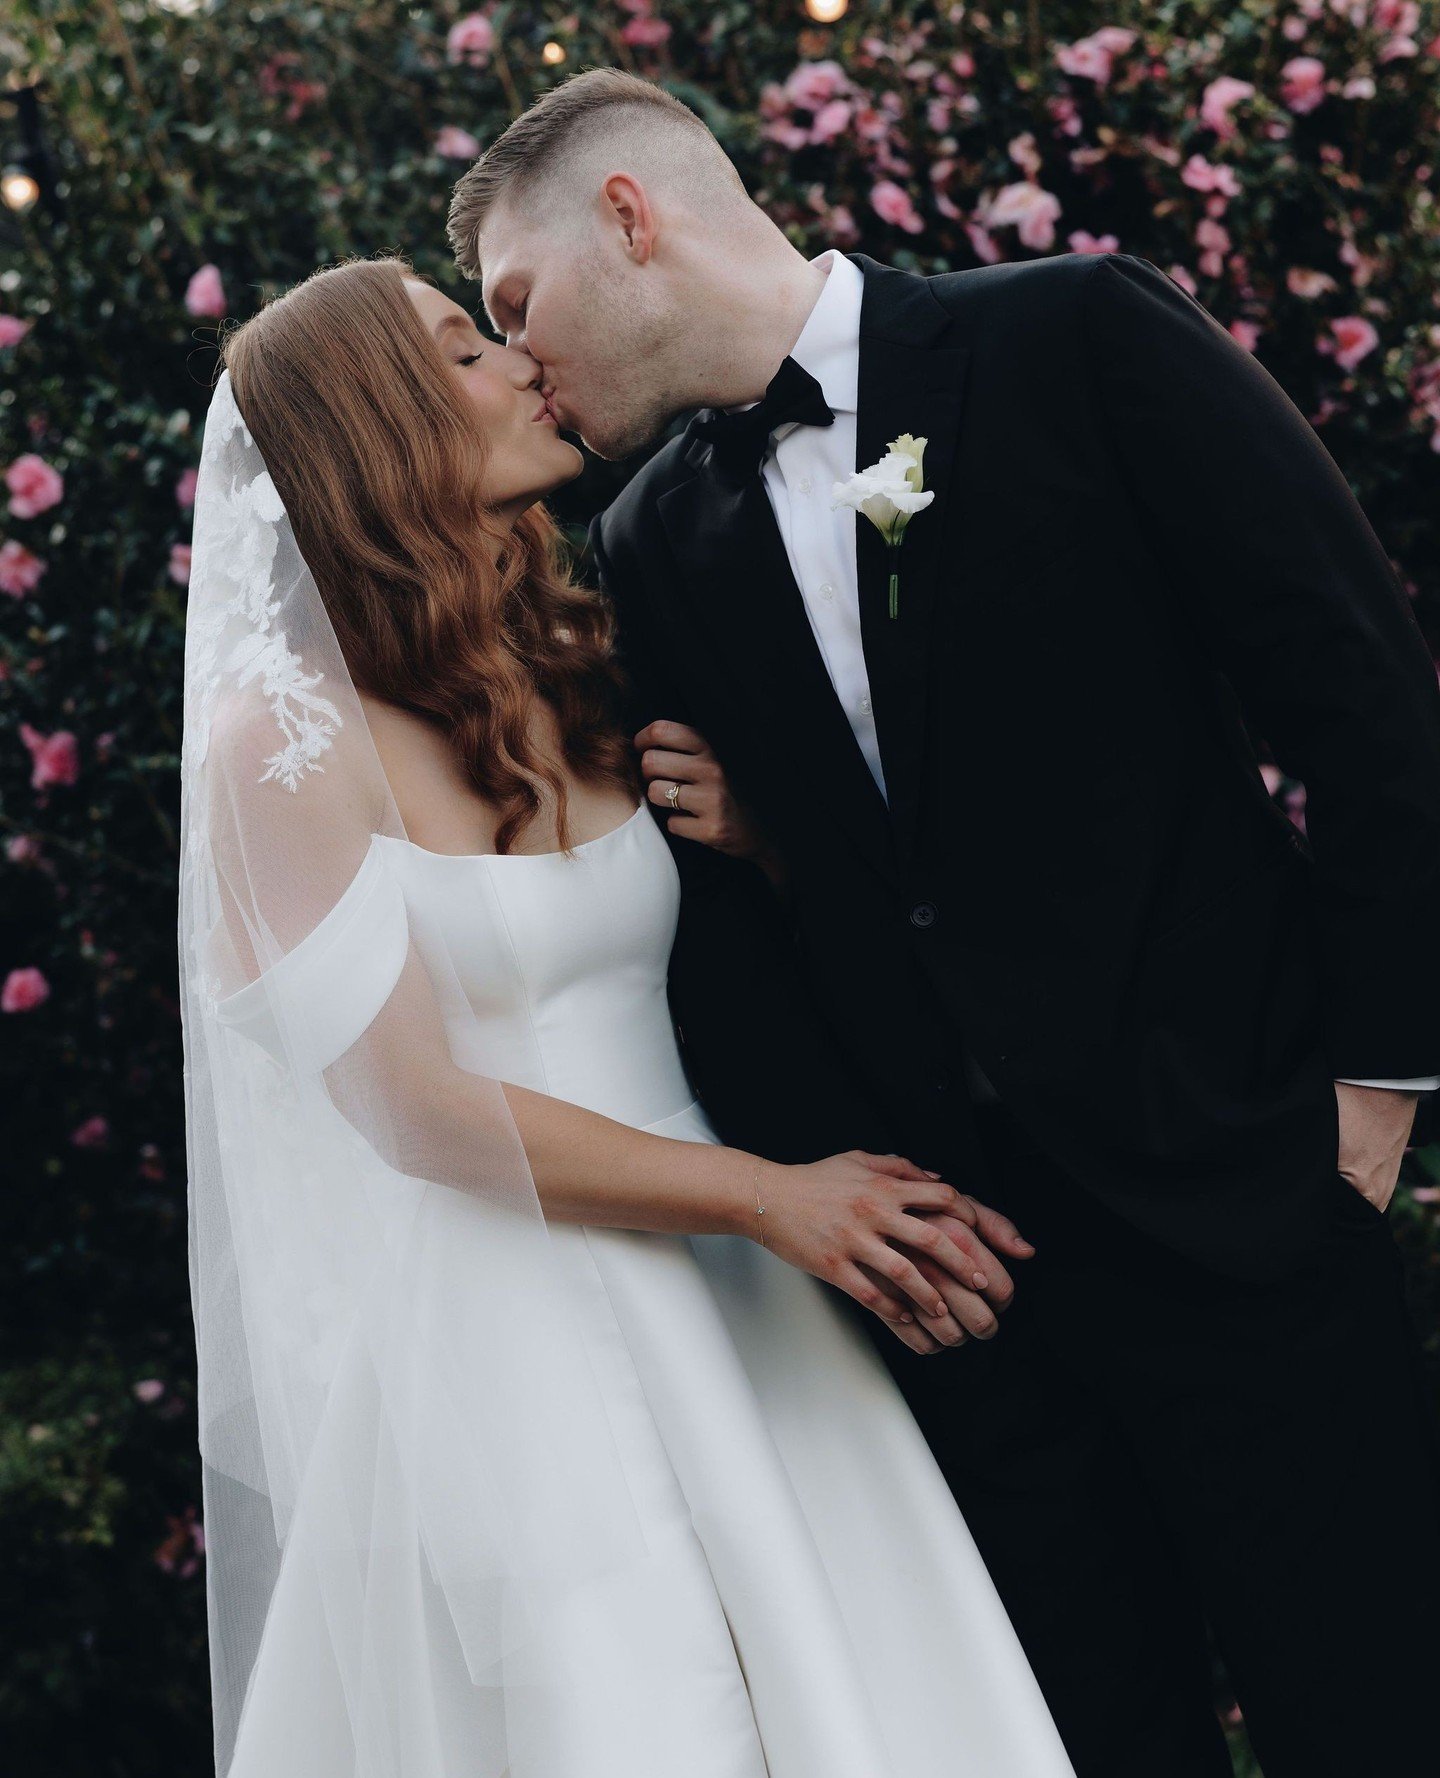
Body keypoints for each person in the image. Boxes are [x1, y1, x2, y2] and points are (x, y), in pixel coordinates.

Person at [450, 67, 1440, 1778]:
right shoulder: (649, 538)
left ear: (631, 217)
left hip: (1253, 1201)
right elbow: (767, 929)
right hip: (980, 1307)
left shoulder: (1077, 335)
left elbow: (1365, 709)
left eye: (517, 308)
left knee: (1375, 1716)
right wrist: (855, 1224)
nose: (520, 361)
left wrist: (1369, 1107)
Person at [178, 253, 1077, 1778]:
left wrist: (756, 837)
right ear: (379, 433)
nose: (526, 366)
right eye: (466, 355)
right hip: (514, 1329)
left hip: (743, 1284)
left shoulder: (569, 651)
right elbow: (415, 1110)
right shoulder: (280, 740)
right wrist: (772, 1200)